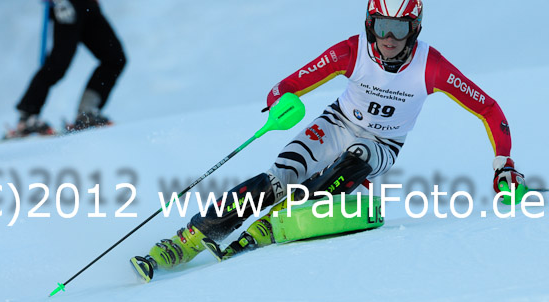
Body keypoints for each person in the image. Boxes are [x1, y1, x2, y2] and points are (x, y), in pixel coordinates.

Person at [131, 0, 526, 279]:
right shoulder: (352, 51)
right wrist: (279, 101)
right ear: (369, 23)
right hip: (335, 123)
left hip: (382, 144)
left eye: (399, 28)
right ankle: (188, 239)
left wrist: (503, 163)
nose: (388, 38)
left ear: (415, 29)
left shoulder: (431, 66)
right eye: (380, 25)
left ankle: (274, 223)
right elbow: (289, 83)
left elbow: (489, 109)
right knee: (277, 179)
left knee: (356, 158)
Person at [9, 0, 126, 138]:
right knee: (57, 65)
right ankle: (27, 117)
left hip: (89, 6)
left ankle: (86, 113)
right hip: (67, 4)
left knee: (114, 58)